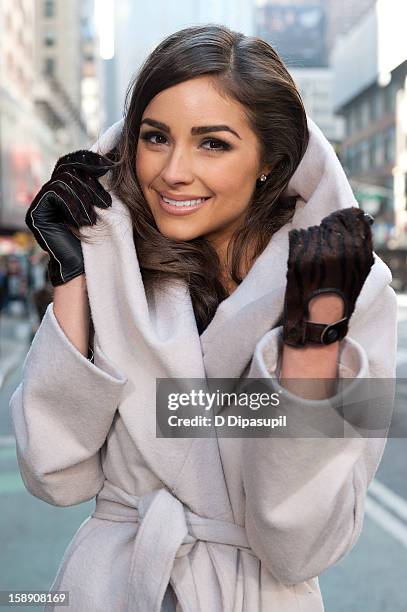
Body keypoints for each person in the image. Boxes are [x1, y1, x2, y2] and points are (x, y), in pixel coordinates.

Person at [10, 24, 396, 612]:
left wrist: (312, 341)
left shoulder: (359, 297)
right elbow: (54, 472)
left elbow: (301, 545)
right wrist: (72, 275)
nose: (172, 172)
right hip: (109, 588)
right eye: (156, 137)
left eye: (212, 143)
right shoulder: (116, 268)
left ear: (272, 160)